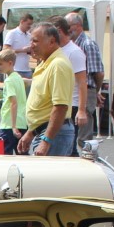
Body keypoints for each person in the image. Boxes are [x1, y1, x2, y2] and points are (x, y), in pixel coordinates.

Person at [23, 22, 74, 156]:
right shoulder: (46, 62)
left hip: (54, 135)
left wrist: (46, 140)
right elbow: (43, 103)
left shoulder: (58, 65)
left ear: (51, 42)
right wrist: (31, 132)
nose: (31, 45)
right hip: (44, 132)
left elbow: (60, 106)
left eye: (35, 41)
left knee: (46, 177)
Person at [66, 12, 105, 142]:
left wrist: (94, 90)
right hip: (74, 90)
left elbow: (98, 73)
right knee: (73, 131)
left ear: (77, 26)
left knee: (84, 134)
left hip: (86, 89)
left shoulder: (87, 44)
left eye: (68, 26)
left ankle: (88, 157)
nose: (67, 30)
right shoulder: (72, 43)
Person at [53, 17, 89, 141]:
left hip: (71, 105)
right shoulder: (56, 50)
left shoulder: (74, 52)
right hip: (58, 103)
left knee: (68, 144)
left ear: (59, 31)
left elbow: (82, 82)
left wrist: (81, 110)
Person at [0, 46, 27, 155]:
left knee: (4, 153)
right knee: (22, 153)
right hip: (22, 122)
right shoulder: (18, 77)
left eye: (1, 64)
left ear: (10, 63)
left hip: (9, 123)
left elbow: (13, 103)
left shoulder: (9, 81)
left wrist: (13, 126)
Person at [4, 14, 35, 93]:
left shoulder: (29, 35)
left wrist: (30, 51)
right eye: (28, 24)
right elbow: (5, 49)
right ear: (22, 22)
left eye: (31, 24)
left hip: (26, 69)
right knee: (16, 93)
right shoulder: (12, 33)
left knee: (27, 94)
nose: (29, 26)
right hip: (15, 68)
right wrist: (22, 50)